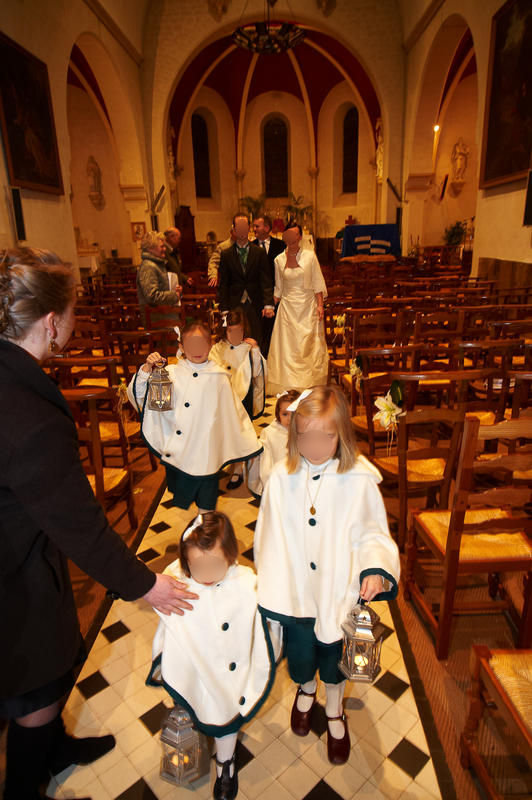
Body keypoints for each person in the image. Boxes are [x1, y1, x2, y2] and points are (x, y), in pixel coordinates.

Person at [0, 248, 198, 800]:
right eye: (71, 313)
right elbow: (81, 526)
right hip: (13, 571)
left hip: (20, 549)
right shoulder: (28, 417)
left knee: (51, 666)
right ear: (50, 322)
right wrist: (148, 585)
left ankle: (56, 747)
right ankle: (22, 788)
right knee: (35, 687)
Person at [254, 385, 400, 766]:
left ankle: (334, 709)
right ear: (293, 436)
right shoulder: (280, 480)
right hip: (297, 596)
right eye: (306, 436)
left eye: (325, 436)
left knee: (335, 662)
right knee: (301, 659)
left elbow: (372, 533)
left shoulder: (358, 480)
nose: (315, 445)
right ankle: (305, 691)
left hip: (339, 593)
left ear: (342, 435)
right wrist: (272, 585)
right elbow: (267, 538)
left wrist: (374, 569)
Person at [148, 512, 279, 800]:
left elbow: (268, 615)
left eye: (215, 564)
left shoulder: (246, 584)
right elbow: (166, 622)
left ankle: (226, 764)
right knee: (195, 707)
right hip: (194, 668)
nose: (206, 574)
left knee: (225, 719)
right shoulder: (179, 587)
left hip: (229, 675)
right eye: (198, 566)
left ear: (231, 557)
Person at [127, 320, 262, 513]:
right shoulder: (170, 374)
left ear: (210, 345)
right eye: (191, 344)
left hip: (207, 451)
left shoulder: (219, 378)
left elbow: (234, 415)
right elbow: (151, 404)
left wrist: (248, 440)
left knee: (207, 499)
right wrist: (147, 371)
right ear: (181, 346)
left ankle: (205, 527)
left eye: (202, 344)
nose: (197, 349)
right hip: (182, 449)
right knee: (183, 491)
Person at [267, 222, 329, 394]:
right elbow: (278, 288)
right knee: (288, 348)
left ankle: (308, 382)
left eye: (294, 235)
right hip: (287, 307)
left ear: (300, 237)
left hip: (307, 306)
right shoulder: (278, 260)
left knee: (307, 346)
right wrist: (269, 305)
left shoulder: (310, 257)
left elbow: (317, 282)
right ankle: (288, 383)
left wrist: (320, 305)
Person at [209, 309, 267, 489]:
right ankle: (222, 461)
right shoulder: (218, 348)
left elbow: (257, 372)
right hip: (224, 397)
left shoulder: (248, 348)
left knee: (241, 432)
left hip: (244, 398)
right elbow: (212, 367)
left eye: (239, 332)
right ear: (225, 330)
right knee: (223, 432)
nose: (235, 336)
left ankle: (239, 468)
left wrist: (256, 350)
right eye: (231, 332)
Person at [217, 214, 274, 347]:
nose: (242, 230)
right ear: (234, 230)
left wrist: (268, 304)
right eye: (239, 227)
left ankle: (257, 365)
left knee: (257, 336)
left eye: (245, 227)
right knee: (237, 338)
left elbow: (266, 279)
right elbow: (224, 283)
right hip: (235, 302)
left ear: (248, 228)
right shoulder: (226, 254)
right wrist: (224, 308)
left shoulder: (259, 252)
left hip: (255, 301)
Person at [247, 389, 299, 497]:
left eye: (294, 414)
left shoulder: (303, 430)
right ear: (278, 414)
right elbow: (265, 456)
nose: (289, 419)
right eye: (285, 414)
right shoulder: (270, 433)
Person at [252, 215, 286, 356]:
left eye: (257, 226)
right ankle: (261, 356)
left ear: (266, 228)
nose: (254, 229)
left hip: (278, 293)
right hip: (258, 294)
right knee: (259, 328)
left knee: (275, 328)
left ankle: (276, 355)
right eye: (253, 226)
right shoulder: (251, 246)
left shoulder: (281, 245)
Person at [136, 231, 181, 323]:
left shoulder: (156, 264)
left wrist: (176, 291)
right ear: (150, 248)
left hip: (162, 316)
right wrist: (174, 295)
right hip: (156, 319)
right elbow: (152, 296)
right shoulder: (148, 266)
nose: (165, 249)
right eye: (162, 246)